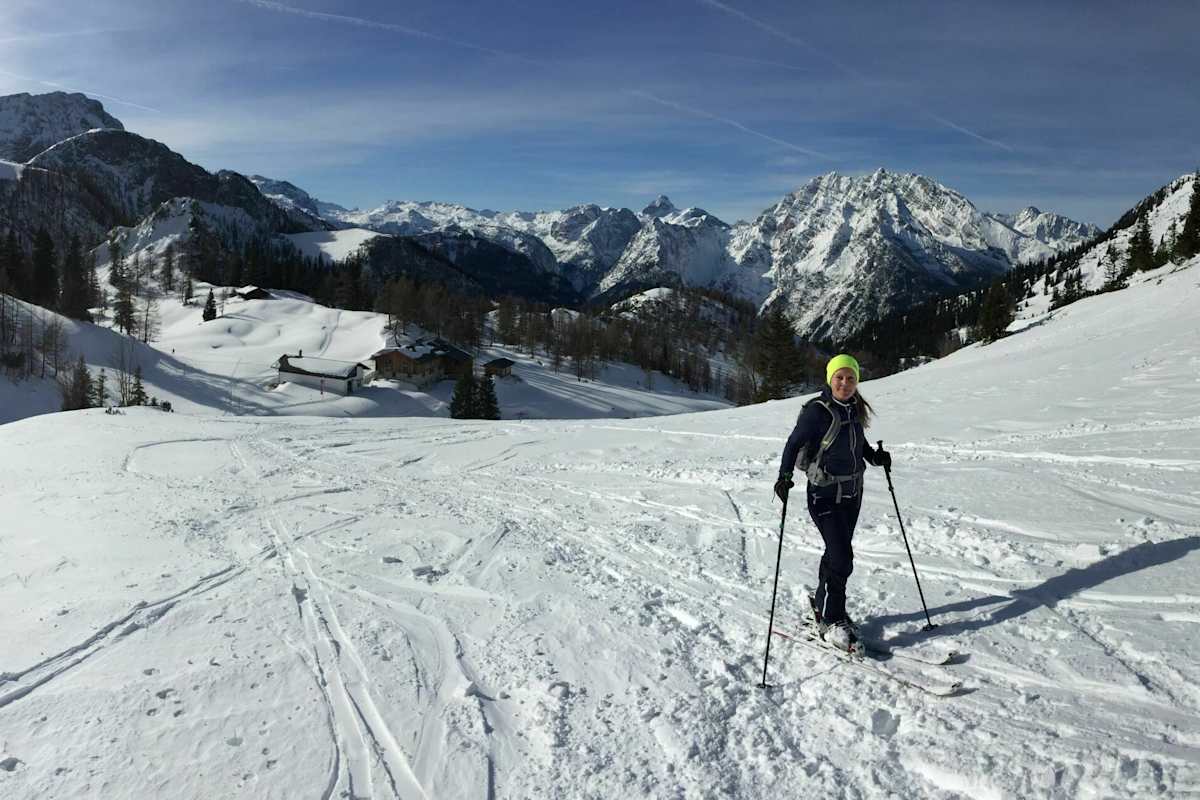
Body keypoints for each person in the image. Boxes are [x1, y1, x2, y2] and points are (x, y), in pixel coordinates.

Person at [774, 354, 891, 653]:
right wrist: (784, 476)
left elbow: (858, 444)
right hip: (824, 494)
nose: (845, 383)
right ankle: (833, 619)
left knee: (836, 553)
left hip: (853, 494)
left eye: (850, 378)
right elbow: (793, 443)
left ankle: (825, 601)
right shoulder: (817, 411)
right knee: (842, 557)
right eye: (839, 377)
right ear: (830, 379)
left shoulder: (854, 408)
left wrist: (875, 457)